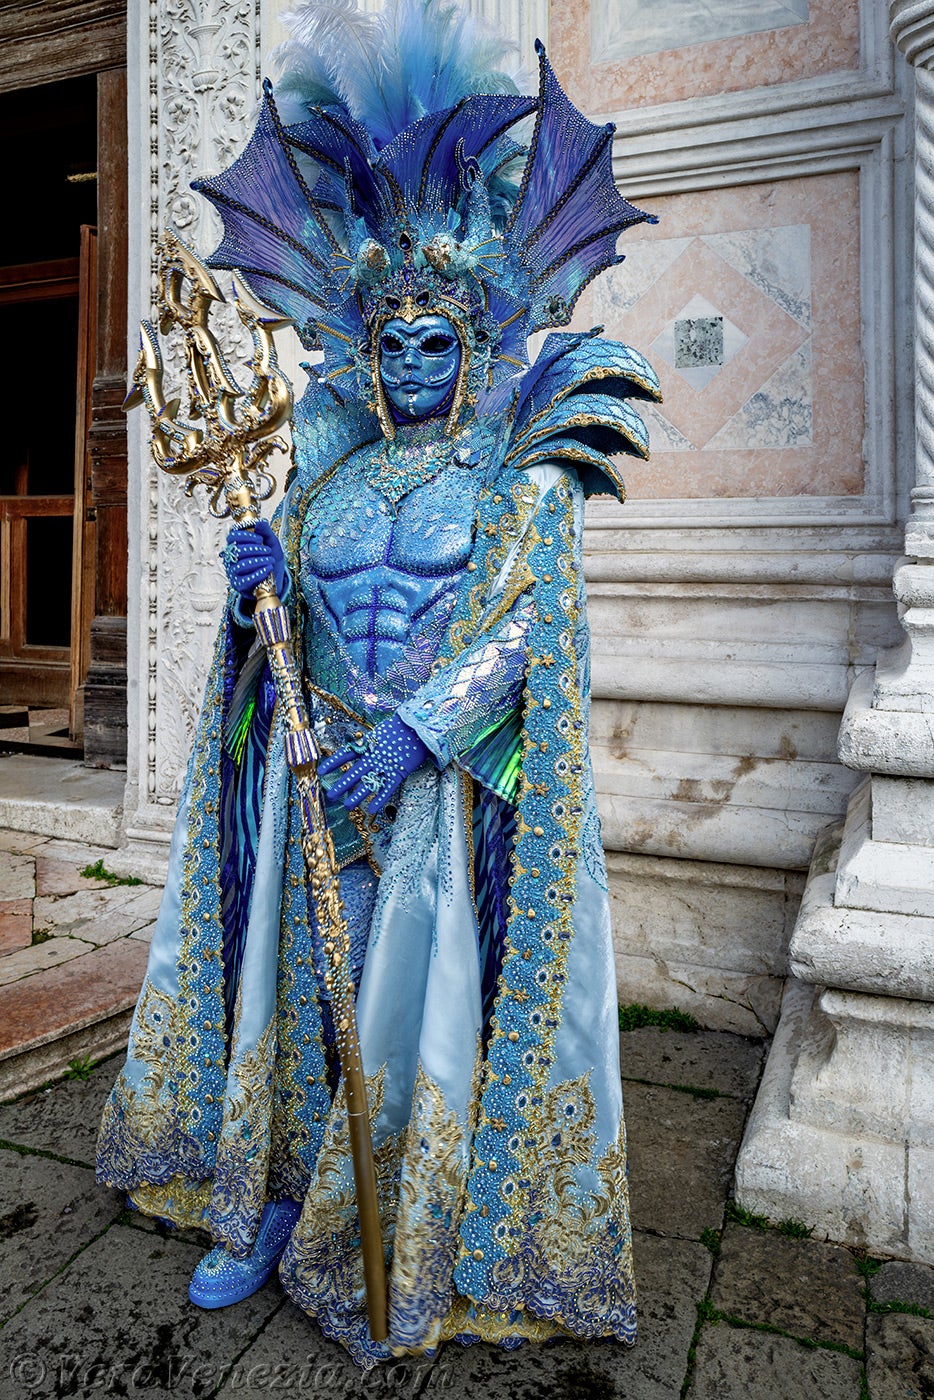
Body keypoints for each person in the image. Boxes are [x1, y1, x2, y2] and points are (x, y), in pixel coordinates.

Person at [96, 0, 660, 1369]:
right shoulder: (323, 478)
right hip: (312, 783)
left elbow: (534, 636)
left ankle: (401, 1225)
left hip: (427, 798)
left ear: (473, 346)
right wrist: (254, 593)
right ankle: (270, 1200)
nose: (410, 366)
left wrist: (416, 736)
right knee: (293, 1002)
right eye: (391, 344)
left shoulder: (517, 484)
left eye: (435, 344)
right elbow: (279, 639)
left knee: (407, 1016)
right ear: (366, 349)